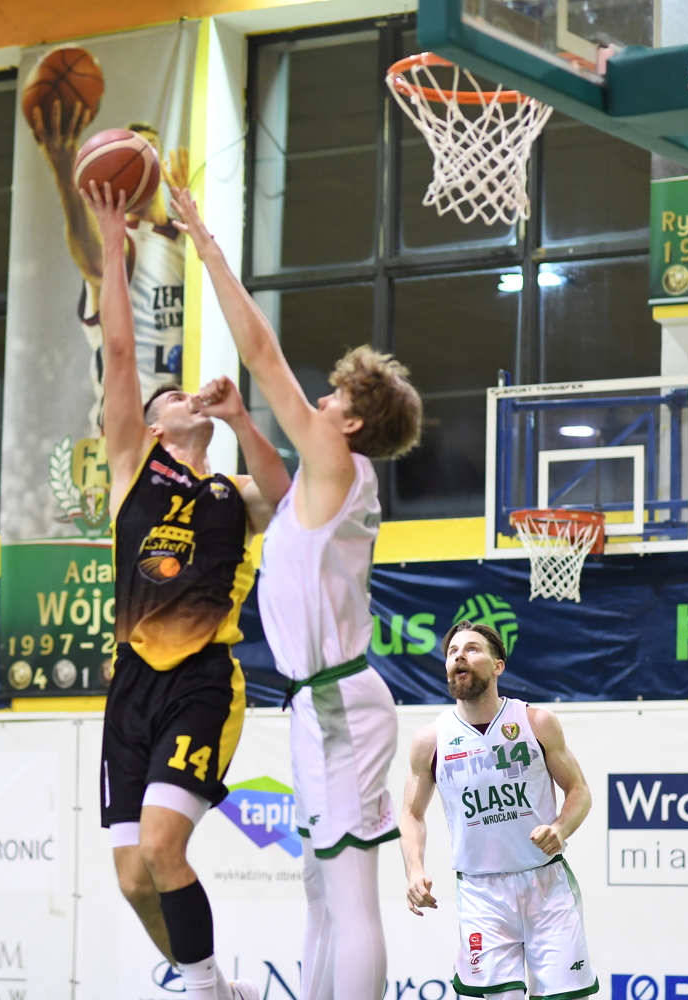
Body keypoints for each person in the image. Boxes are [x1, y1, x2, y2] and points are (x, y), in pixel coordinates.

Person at [171, 186, 423, 1000]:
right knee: (321, 890)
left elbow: (262, 351)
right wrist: (242, 423)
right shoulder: (329, 481)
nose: (320, 399)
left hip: (340, 702)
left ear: (351, 424)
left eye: (336, 396)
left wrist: (207, 246)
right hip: (322, 704)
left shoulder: (339, 460)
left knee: (349, 899)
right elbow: (278, 498)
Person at [80, 179, 288, 1000]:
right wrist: (113, 243)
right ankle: (216, 985)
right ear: (152, 425)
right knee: (134, 878)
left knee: (164, 850)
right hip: (132, 683)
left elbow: (287, 494)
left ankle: (203, 991)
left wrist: (240, 419)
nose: (183, 394)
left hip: (202, 679)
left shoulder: (235, 493)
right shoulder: (134, 466)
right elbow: (120, 353)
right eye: (171, 397)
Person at [399, 622, 598, 1000]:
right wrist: (415, 870)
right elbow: (411, 815)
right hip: (482, 893)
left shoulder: (535, 722)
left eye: (472, 649)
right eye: (452, 652)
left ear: (498, 666)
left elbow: (579, 790)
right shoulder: (430, 740)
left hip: (545, 885)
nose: (460, 656)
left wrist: (560, 828)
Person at [30, 91, 190, 433]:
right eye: (132, 152)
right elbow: (93, 261)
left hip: (181, 427)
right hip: (128, 430)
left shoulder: (186, 240)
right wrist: (65, 174)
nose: (141, 158)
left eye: (149, 150)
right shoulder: (121, 240)